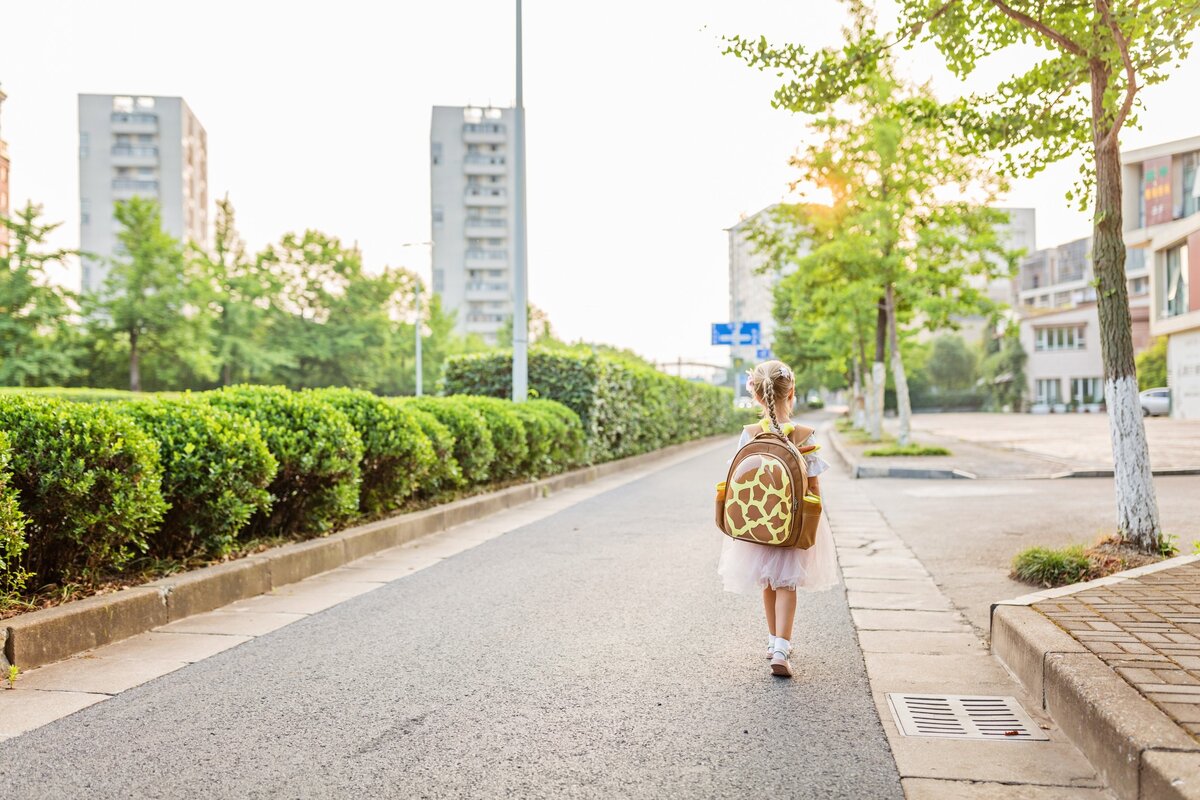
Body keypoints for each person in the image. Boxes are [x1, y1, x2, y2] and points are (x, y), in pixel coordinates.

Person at [717, 360, 840, 677]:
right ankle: (782, 647)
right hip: (793, 523)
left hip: (758, 523)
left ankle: (773, 642)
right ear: (792, 393)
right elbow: (813, 485)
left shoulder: (749, 434)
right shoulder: (803, 434)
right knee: (787, 583)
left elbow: (737, 480)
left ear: (757, 397)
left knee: (767, 582)